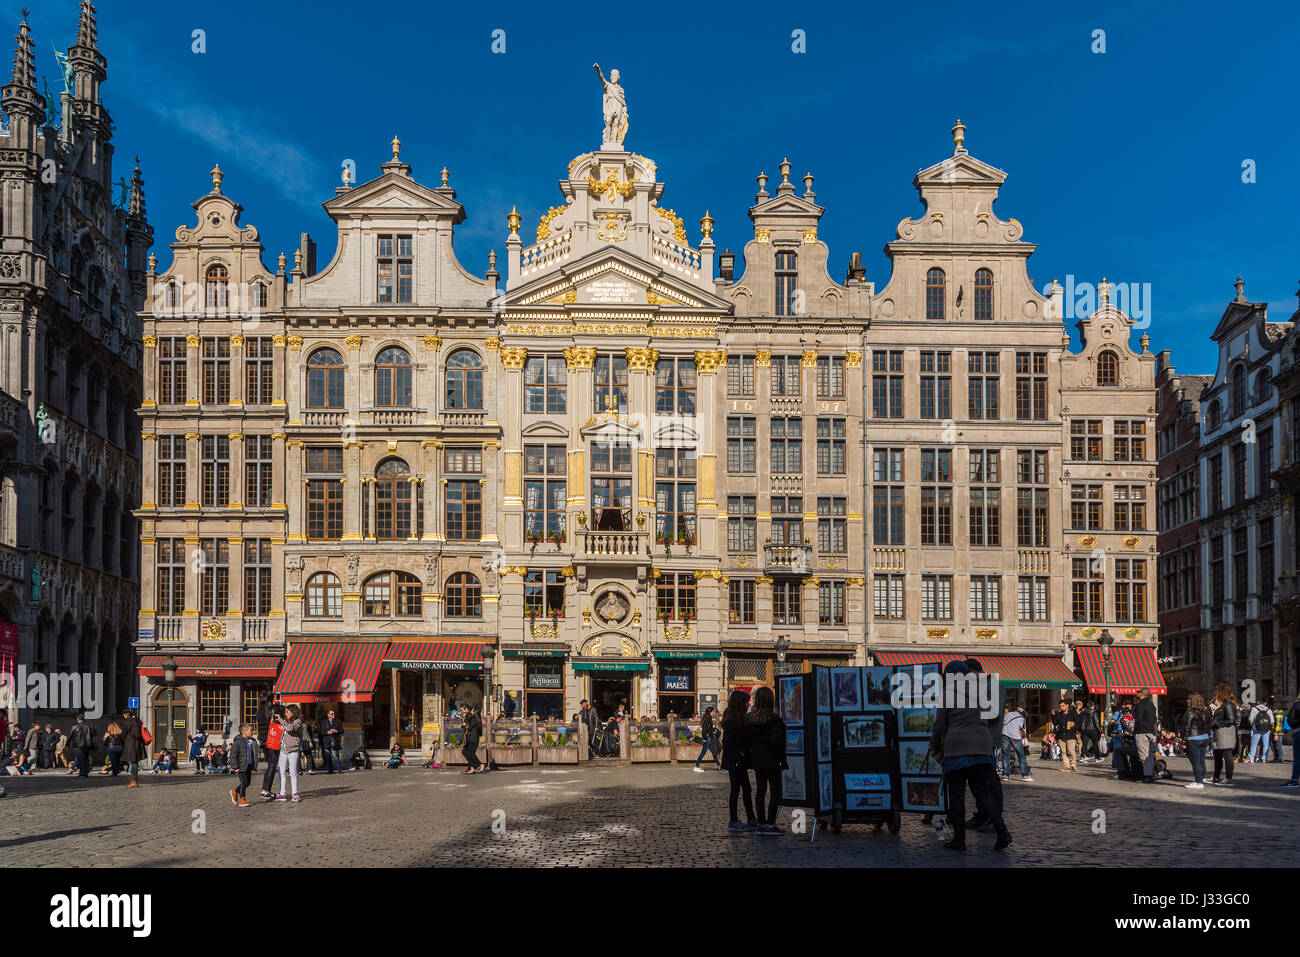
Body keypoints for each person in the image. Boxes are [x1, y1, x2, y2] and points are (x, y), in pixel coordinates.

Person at [930, 660, 1011, 852]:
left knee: (956, 794)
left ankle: (960, 839)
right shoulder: (981, 691)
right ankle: (1003, 832)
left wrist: (934, 743)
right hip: (982, 747)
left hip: (957, 748)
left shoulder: (948, 693)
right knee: (983, 793)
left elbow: (940, 724)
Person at [743, 685, 787, 835]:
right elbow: (776, 742)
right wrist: (780, 756)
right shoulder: (774, 719)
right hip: (772, 759)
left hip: (757, 759)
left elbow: (747, 740)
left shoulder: (749, 719)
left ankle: (761, 823)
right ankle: (770, 823)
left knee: (760, 790)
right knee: (775, 791)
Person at [720, 689, 756, 833]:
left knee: (745, 788)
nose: (748, 704)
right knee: (737, 789)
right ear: (740, 703)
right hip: (735, 759)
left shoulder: (735, 717)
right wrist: (741, 752)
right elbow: (730, 741)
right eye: (746, 701)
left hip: (737, 759)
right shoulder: (734, 719)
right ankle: (734, 820)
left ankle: (750, 818)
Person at [1209, 684, 1238, 786]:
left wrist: (1218, 723)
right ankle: (1216, 777)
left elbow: (1231, 719)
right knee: (1217, 755)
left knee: (1227, 755)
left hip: (1226, 732)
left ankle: (1228, 778)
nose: (1215, 694)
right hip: (1220, 732)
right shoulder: (1223, 705)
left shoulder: (1228, 704)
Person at [1181, 692, 1211, 789]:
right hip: (1205, 737)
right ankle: (1200, 779)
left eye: (1189, 699)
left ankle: (1198, 782)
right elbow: (1209, 725)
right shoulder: (1205, 711)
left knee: (1196, 761)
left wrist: (1183, 740)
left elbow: (1186, 727)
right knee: (1201, 760)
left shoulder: (1189, 712)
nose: (1187, 701)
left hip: (1193, 738)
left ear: (1192, 701)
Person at [275, 704, 303, 802]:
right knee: (281, 772)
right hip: (283, 750)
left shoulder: (297, 722)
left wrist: (281, 720)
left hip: (293, 750)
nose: (285, 714)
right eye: (285, 712)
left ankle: (294, 794)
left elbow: (291, 728)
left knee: (293, 772)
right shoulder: (286, 722)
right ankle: (282, 793)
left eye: (287, 712)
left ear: (293, 712)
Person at [259, 696, 286, 799]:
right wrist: (279, 705)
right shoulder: (269, 713)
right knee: (272, 765)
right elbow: (281, 712)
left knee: (270, 765)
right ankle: (265, 790)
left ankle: (266, 790)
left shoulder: (259, 711)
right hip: (271, 740)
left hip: (263, 740)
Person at [228, 723, 258, 807]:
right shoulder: (238, 742)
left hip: (249, 765)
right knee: (244, 782)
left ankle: (234, 791)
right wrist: (235, 767)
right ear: (244, 732)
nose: (253, 732)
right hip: (241, 766)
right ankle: (242, 799)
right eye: (251, 730)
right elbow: (233, 755)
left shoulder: (252, 741)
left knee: (248, 783)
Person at [1000, 703, 1032, 781]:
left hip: (1004, 734)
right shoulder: (1022, 717)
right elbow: (1021, 729)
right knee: (1021, 755)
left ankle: (1005, 775)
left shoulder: (1008, 714)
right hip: (1015, 735)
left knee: (1006, 754)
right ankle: (1025, 775)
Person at [1132, 688, 1158, 783]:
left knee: (1144, 756)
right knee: (1150, 755)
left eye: (1138, 692)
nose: (1137, 693)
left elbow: (1138, 719)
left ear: (1142, 694)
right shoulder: (1152, 705)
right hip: (1152, 732)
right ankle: (1152, 774)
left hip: (1142, 732)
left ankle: (1148, 776)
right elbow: (1154, 718)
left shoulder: (1140, 705)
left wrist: (1137, 732)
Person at [1050, 701, 1080, 771]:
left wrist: (1073, 729)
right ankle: (1067, 766)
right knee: (1063, 751)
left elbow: (1078, 723)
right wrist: (1053, 715)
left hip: (1071, 735)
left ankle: (1073, 764)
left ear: (1067, 705)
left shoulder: (1073, 712)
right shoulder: (1059, 714)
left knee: (1070, 750)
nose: (1061, 707)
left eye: (1063, 706)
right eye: (1060, 706)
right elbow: (1055, 723)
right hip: (1061, 735)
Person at [121, 708, 146, 788]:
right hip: (138, 743)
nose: (123, 716)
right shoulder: (137, 720)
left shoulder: (127, 721)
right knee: (134, 762)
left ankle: (134, 781)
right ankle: (134, 780)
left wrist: (122, 741)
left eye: (124, 715)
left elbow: (123, 733)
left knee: (133, 762)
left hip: (130, 743)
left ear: (126, 714)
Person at [693, 706, 721, 772]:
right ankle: (696, 766)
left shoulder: (708, 718)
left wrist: (712, 732)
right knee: (703, 752)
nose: (714, 713)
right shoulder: (707, 719)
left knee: (714, 752)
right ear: (710, 712)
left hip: (709, 737)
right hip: (707, 738)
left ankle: (719, 765)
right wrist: (704, 738)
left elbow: (708, 729)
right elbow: (704, 730)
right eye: (713, 712)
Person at [67, 712, 94, 780]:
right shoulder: (88, 726)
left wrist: (67, 745)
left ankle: (82, 773)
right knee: (86, 759)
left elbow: (69, 737)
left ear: (78, 719)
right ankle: (85, 773)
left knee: (80, 760)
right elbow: (93, 734)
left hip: (78, 746)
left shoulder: (74, 727)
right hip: (87, 745)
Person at [1247, 699, 1273, 763]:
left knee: (1254, 744)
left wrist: (1253, 725)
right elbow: (1272, 721)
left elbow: (1250, 719)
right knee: (1265, 744)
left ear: (1258, 702)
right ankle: (1264, 758)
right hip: (1266, 729)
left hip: (1256, 729)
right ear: (1265, 703)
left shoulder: (1254, 709)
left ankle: (1251, 758)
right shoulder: (1269, 710)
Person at [1282, 695, 1300, 787]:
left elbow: (1290, 720)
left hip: (1298, 732)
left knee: (1297, 758)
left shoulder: (1297, 705)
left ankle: (1295, 779)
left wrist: (1295, 725)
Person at [320, 709, 344, 774]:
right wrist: (328, 732)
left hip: (334, 741)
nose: (333, 715)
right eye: (332, 714)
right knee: (328, 757)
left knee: (335, 755)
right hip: (326, 741)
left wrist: (336, 731)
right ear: (328, 715)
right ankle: (330, 770)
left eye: (334, 714)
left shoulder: (338, 721)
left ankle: (339, 769)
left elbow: (342, 730)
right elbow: (321, 732)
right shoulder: (324, 722)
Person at [462, 706, 484, 773]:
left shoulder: (474, 719)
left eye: (472, 710)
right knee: (465, 752)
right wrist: (465, 725)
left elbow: (469, 728)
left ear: (474, 712)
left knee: (471, 753)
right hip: (471, 738)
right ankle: (473, 767)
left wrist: (465, 725)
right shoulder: (474, 719)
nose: (471, 711)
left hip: (473, 738)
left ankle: (479, 765)